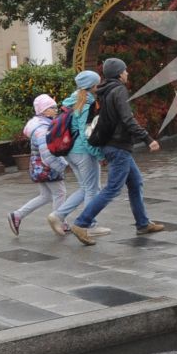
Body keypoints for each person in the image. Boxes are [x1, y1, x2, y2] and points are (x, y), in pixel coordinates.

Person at [68, 56, 166, 245]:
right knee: (113, 188)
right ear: (119, 74)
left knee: (135, 182)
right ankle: (81, 223)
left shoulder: (104, 91)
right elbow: (127, 119)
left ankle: (143, 223)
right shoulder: (118, 90)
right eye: (125, 70)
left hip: (112, 145)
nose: (127, 73)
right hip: (119, 146)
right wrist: (147, 138)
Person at [49, 70, 109, 237]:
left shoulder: (72, 100)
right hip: (83, 152)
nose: (100, 85)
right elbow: (85, 133)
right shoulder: (86, 103)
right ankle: (89, 225)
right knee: (92, 189)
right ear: (92, 86)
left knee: (85, 188)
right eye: (98, 83)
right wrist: (99, 154)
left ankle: (58, 215)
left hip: (69, 152)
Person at [9, 94, 69, 236]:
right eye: (52, 107)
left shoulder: (41, 124)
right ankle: (60, 222)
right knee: (60, 193)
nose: (56, 110)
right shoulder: (42, 129)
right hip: (47, 167)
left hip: (39, 167)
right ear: (44, 111)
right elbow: (47, 153)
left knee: (46, 195)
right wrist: (62, 165)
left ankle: (17, 215)